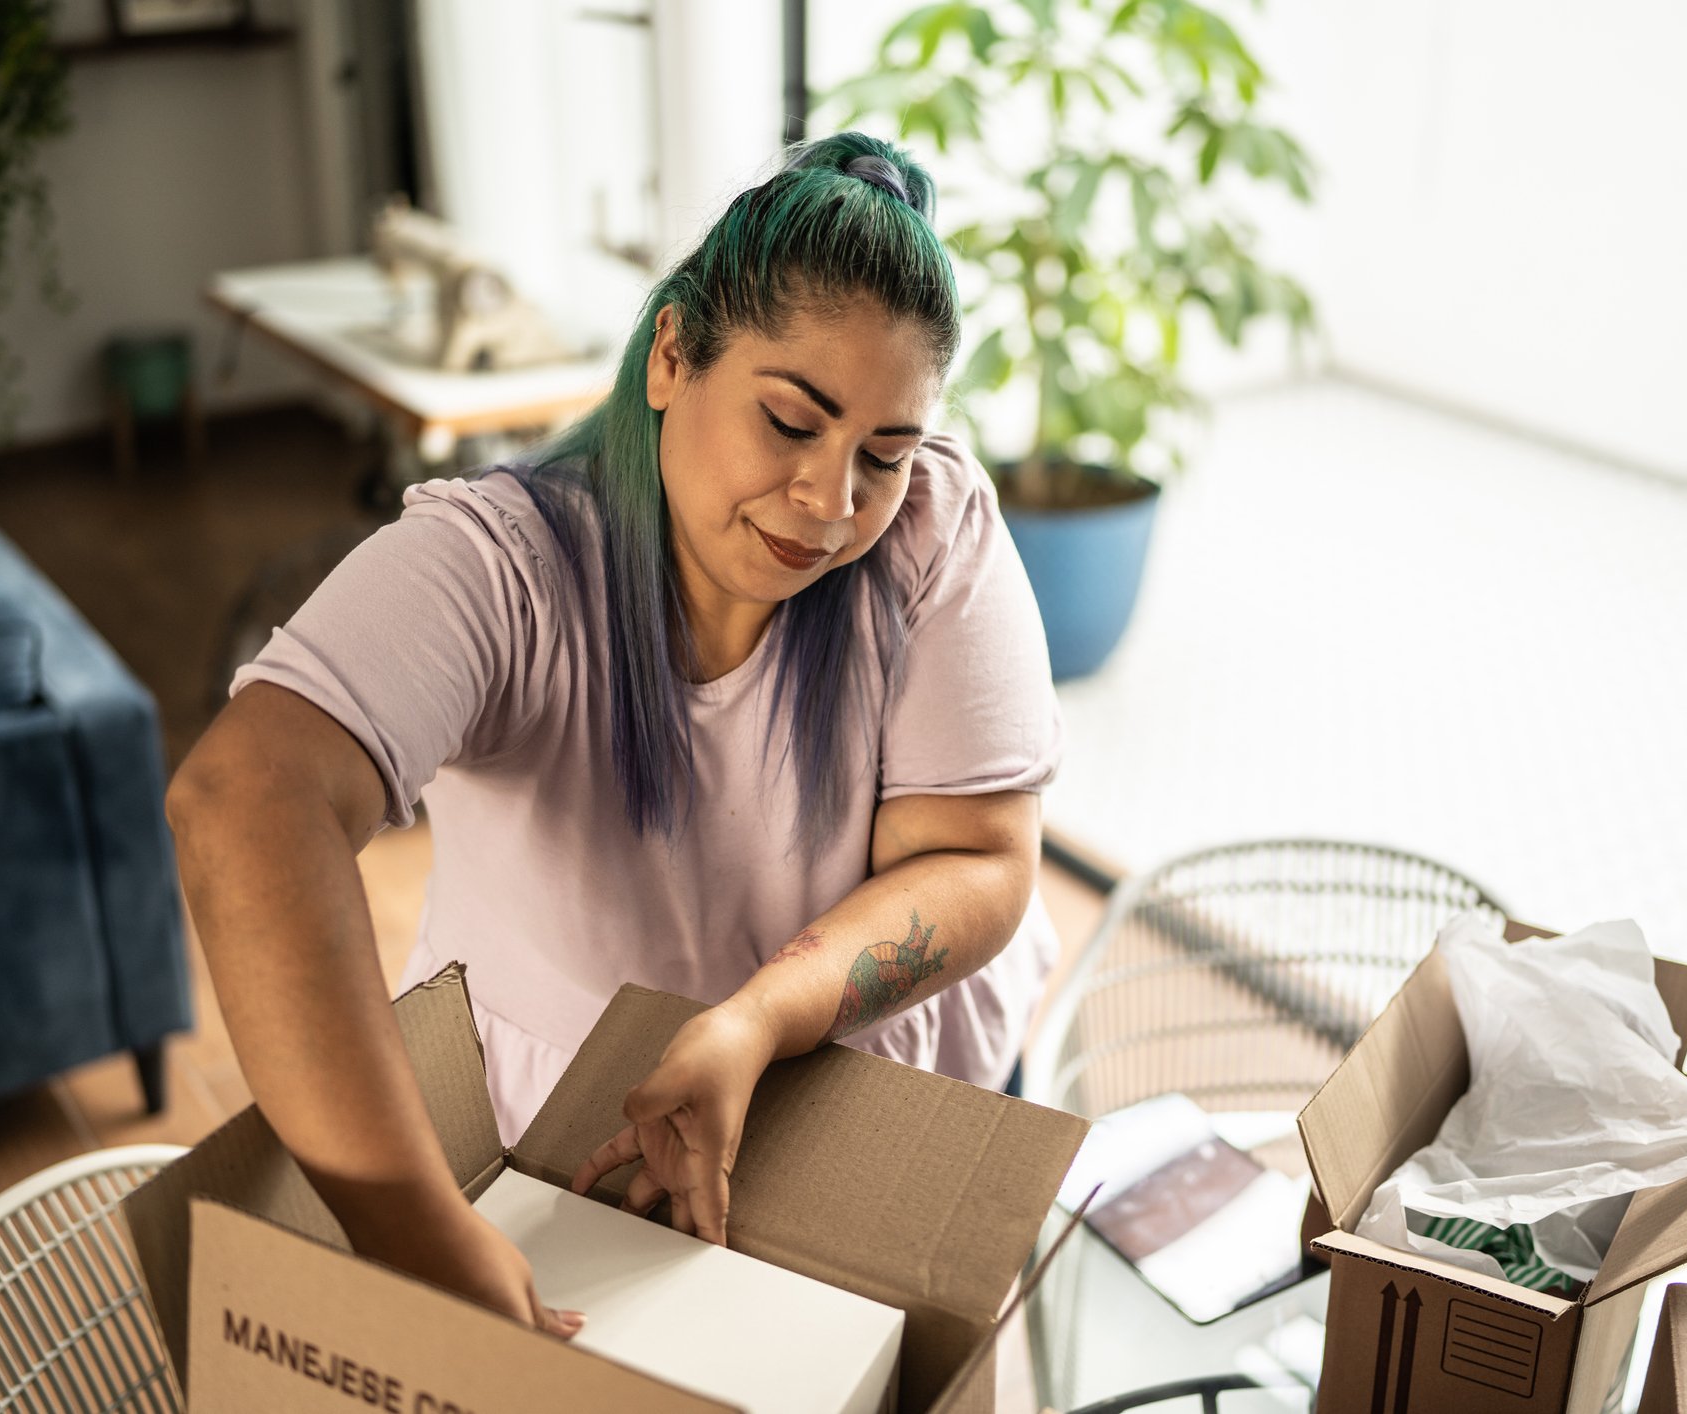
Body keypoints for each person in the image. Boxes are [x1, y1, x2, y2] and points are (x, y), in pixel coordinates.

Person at [165, 132, 1061, 1337]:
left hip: (842, 1079)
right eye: (791, 422)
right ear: (673, 356)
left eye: (882, 455)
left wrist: (753, 1016)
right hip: (559, 1128)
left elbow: (977, 859)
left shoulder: (928, 531)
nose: (832, 501)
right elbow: (243, 805)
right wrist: (415, 1234)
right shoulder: (507, 568)